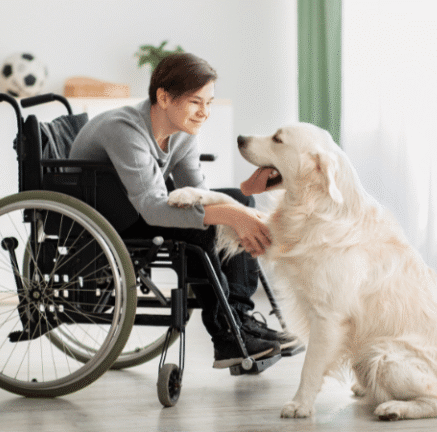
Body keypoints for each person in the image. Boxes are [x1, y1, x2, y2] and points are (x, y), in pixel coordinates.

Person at [69, 52, 297, 368]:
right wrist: (231, 216)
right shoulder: (124, 130)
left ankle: (240, 319)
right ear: (163, 97)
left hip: (139, 209)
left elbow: (198, 196)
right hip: (107, 219)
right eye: (195, 102)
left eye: (209, 103)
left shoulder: (182, 135)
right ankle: (226, 335)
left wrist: (235, 209)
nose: (204, 113)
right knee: (198, 226)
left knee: (239, 200)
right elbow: (153, 209)